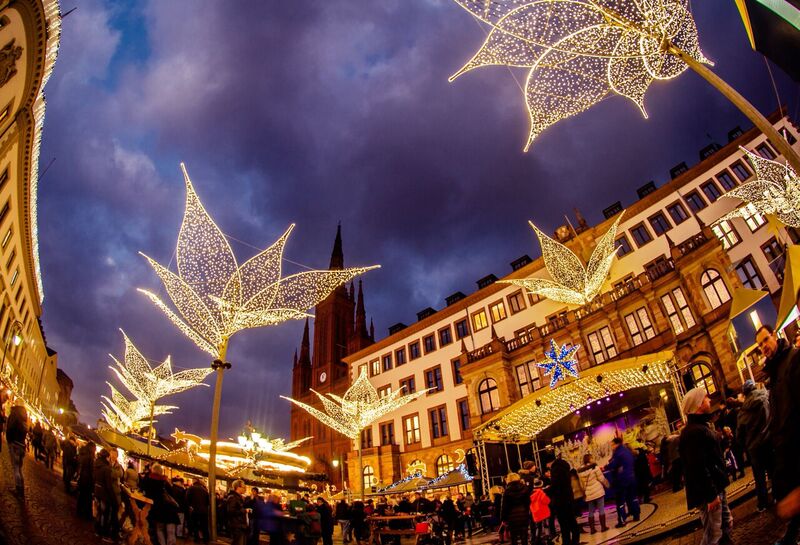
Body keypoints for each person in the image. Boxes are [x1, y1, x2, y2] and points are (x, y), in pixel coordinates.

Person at [756, 323, 800, 544]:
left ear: (774, 336)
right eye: (759, 345)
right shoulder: (773, 373)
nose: (763, 346)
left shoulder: (793, 359)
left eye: (765, 340)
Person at [679, 387, 731, 545]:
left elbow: (709, 455)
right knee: (713, 536)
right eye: (705, 398)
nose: (709, 400)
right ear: (698, 404)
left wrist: (723, 440)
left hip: (716, 487)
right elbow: (697, 467)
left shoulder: (701, 427)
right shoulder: (693, 432)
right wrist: (711, 495)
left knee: (725, 526)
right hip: (710, 492)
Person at [736, 379, 772, 512]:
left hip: (754, 448)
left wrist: (745, 445)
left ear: (744, 394)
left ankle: (762, 503)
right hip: (769, 440)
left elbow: (739, 435)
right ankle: (779, 495)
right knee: (773, 470)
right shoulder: (766, 397)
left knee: (759, 476)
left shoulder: (743, 411)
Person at [605, 437, 640, 528]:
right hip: (631, 477)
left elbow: (613, 464)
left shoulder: (618, 453)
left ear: (617, 444)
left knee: (620, 501)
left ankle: (622, 520)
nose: (612, 446)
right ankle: (636, 515)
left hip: (621, 480)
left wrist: (607, 467)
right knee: (632, 497)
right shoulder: (627, 451)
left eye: (612, 444)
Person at [549, 456, 579, 545]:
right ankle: (575, 540)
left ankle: (566, 541)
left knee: (563, 523)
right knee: (572, 521)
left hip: (560, 500)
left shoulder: (555, 470)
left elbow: (555, 486)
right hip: (568, 498)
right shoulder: (566, 469)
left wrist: (547, 490)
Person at [578, 453, 610, 534]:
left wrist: (585, 492)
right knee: (601, 509)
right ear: (589, 459)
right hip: (598, 491)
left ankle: (592, 529)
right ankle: (603, 527)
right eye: (592, 458)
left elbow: (581, 484)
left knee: (590, 511)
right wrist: (607, 485)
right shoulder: (594, 467)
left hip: (589, 493)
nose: (593, 459)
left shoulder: (580, 471)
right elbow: (601, 478)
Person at [500, 473, 531, 545]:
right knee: (524, 536)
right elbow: (528, 502)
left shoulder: (507, 491)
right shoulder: (524, 488)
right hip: (523, 515)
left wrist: (503, 519)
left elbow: (504, 506)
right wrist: (526, 511)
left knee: (513, 537)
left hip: (511, 517)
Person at [6, 403, 28, 497]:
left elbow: (9, 429)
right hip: (21, 446)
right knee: (19, 468)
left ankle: (18, 488)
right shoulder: (24, 420)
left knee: (15, 468)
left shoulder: (15, 417)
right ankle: (21, 488)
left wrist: (9, 440)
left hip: (14, 444)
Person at [186, 478, 210, 543]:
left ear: (194, 481)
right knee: (204, 525)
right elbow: (208, 501)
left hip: (195, 510)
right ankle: (206, 539)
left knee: (195, 525)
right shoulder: (204, 490)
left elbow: (187, 498)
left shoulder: (191, 488)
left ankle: (197, 539)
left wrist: (190, 506)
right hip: (204, 510)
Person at [226, 480, 249, 545]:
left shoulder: (238, 497)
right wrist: (244, 511)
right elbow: (231, 511)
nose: (245, 489)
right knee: (237, 542)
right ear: (238, 487)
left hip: (239, 524)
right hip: (237, 525)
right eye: (243, 487)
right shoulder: (233, 497)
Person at [77, 440, 96, 519]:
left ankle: (79, 511)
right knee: (87, 498)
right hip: (87, 480)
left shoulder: (83, 453)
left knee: (81, 496)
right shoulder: (90, 457)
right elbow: (91, 471)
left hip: (82, 478)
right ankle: (86, 514)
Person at [529, 478, 551, 544]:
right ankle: (547, 538)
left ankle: (537, 539)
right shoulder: (541, 492)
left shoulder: (531, 493)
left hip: (535, 513)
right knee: (546, 525)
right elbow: (547, 501)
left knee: (538, 527)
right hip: (543, 513)